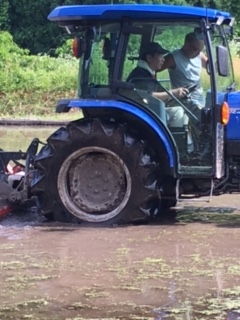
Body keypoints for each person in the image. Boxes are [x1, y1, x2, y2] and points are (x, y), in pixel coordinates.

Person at [127, 42, 189, 128]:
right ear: (149, 58)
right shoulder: (140, 76)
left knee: (184, 113)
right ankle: (177, 141)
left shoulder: (147, 73)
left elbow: (160, 93)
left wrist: (177, 94)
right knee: (178, 112)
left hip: (148, 111)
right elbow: (149, 96)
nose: (164, 60)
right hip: (143, 114)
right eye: (160, 56)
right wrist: (172, 93)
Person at [159, 32, 208, 118]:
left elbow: (211, 68)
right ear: (186, 44)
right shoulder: (173, 58)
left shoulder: (199, 55)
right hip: (183, 103)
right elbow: (153, 68)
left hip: (199, 101)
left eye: (200, 50)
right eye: (195, 49)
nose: (197, 53)